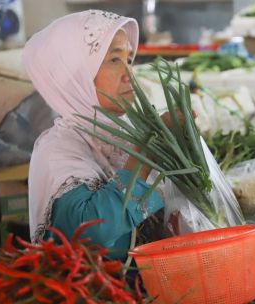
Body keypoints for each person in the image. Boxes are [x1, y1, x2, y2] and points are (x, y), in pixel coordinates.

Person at [22, 10, 170, 261]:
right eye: (114, 60)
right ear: (75, 74)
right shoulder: (57, 151)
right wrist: (143, 158)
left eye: (130, 60)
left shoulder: (124, 135)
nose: (129, 74)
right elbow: (92, 232)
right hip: (95, 297)